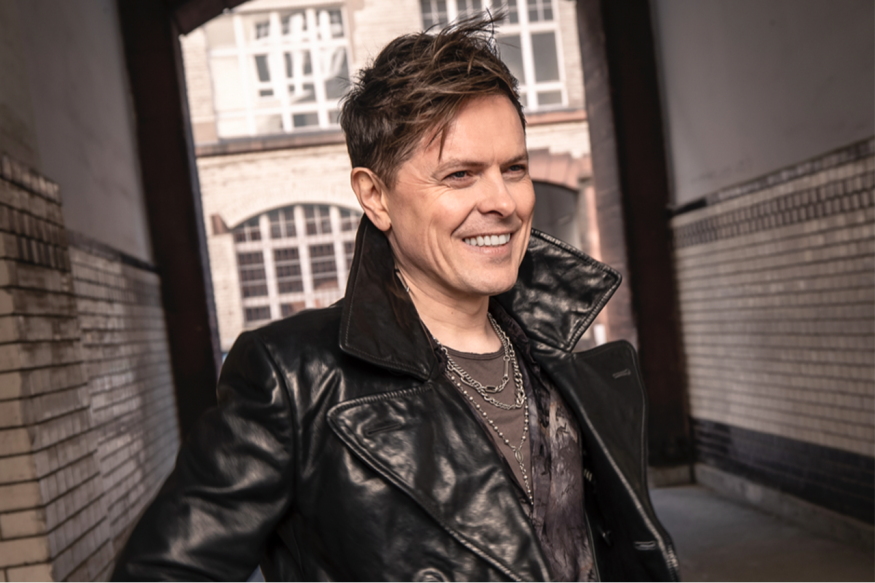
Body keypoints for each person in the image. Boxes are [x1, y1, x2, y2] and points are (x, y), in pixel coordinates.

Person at [112, 15, 678, 583]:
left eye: (514, 169)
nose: (503, 202)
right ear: (375, 196)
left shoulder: (565, 363)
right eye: (460, 175)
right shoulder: (295, 380)